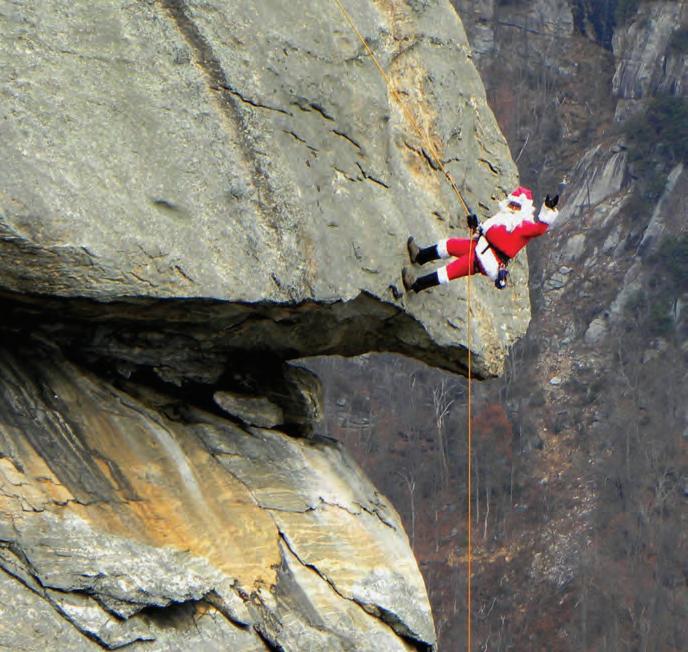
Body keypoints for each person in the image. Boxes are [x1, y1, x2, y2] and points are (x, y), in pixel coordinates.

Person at [402, 186, 559, 293]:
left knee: (450, 271)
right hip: (480, 245)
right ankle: (420, 256)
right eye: (512, 204)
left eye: (517, 206)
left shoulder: (524, 226)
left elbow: (540, 229)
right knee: (449, 245)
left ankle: (415, 284)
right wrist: (476, 225)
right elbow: (485, 231)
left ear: (524, 209)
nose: (512, 208)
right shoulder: (502, 217)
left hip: (486, 259)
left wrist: (548, 209)